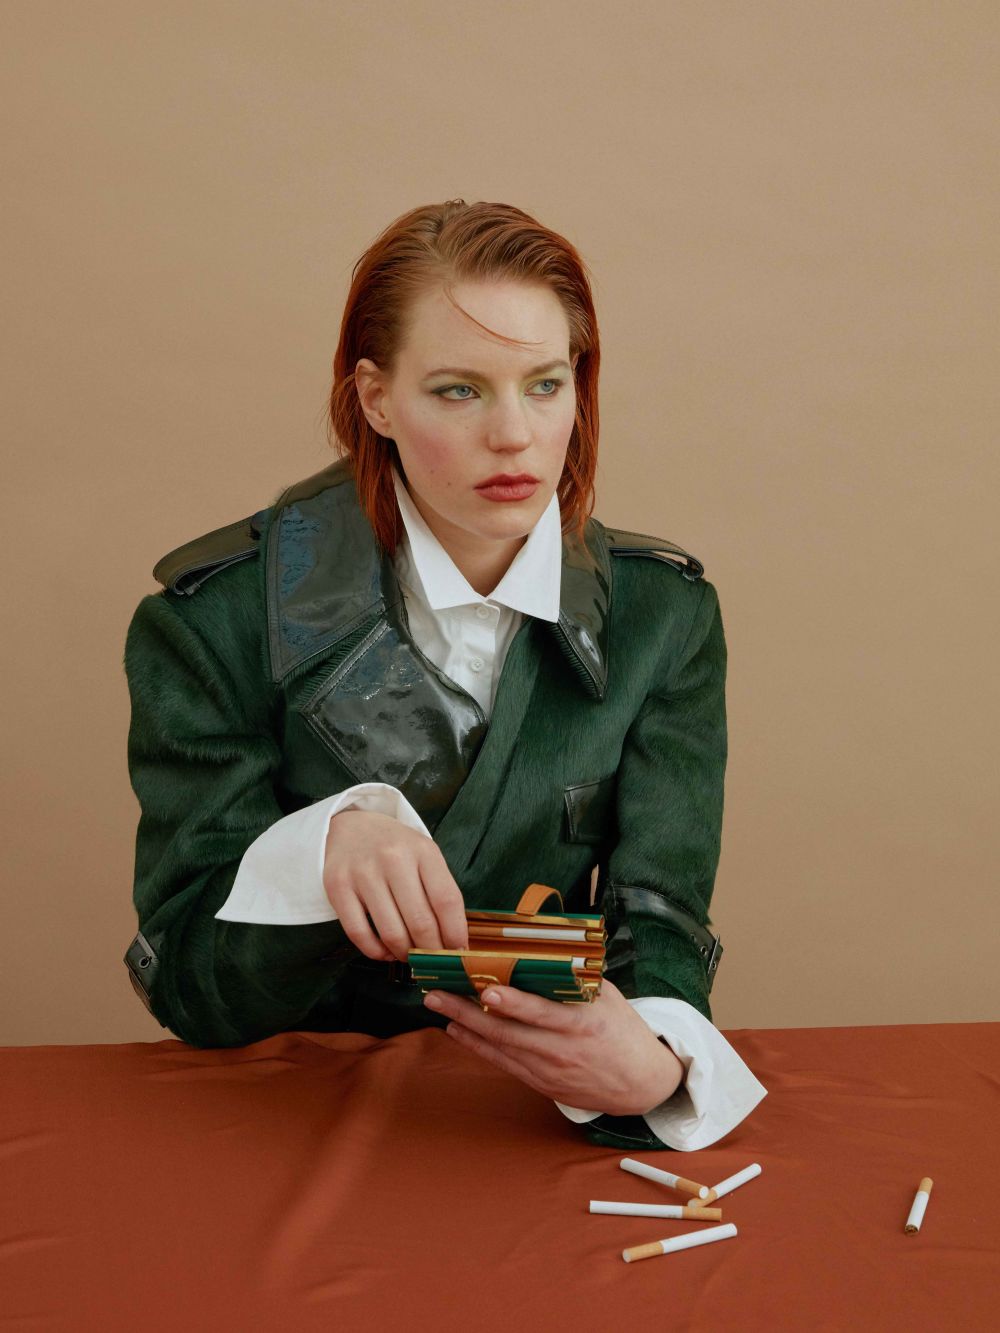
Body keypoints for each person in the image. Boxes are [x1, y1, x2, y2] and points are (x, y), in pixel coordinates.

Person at [122, 199, 766, 1151]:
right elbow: (192, 988)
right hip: (278, 1123)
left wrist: (659, 1055)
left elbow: (658, 912)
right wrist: (315, 856)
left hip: (518, 1123)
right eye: (460, 390)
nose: (514, 435)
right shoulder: (213, 620)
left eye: (545, 385)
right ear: (376, 398)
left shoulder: (662, 618)